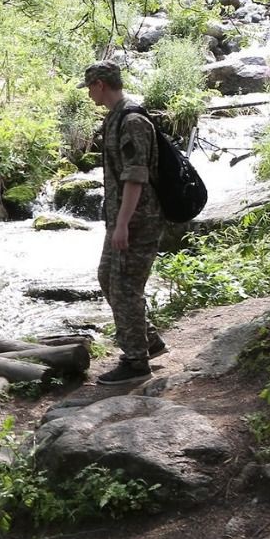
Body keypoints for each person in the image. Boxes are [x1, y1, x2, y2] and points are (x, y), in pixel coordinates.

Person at [83, 59, 169, 385]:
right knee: (108, 277)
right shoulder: (116, 116)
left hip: (137, 220)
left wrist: (122, 224)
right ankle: (147, 341)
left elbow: (136, 178)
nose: (89, 93)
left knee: (125, 287)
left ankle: (136, 363)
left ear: (100, 85)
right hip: (122, 218)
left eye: (90, 87)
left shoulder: (131, 120)